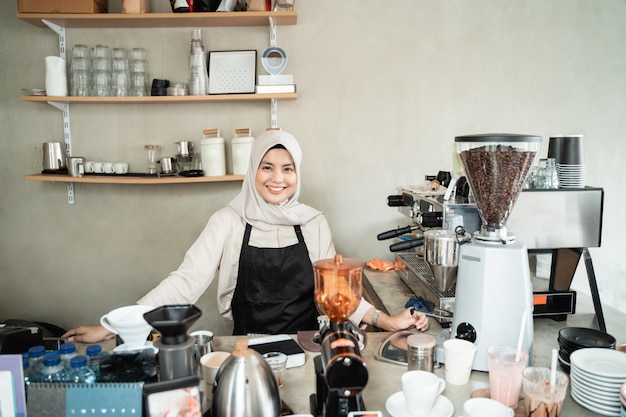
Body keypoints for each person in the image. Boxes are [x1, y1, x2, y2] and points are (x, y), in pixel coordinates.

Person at [63, 130, 428, 343]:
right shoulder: (228, 221)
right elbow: (184, 284)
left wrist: (388, 321)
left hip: (307, 346)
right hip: (244, 348)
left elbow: (337, 296)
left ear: (297, 174)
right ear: (252, 170)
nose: (277, 178)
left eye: (287, 169)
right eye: (266, 167)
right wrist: (112, 327)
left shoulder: (312, 222)